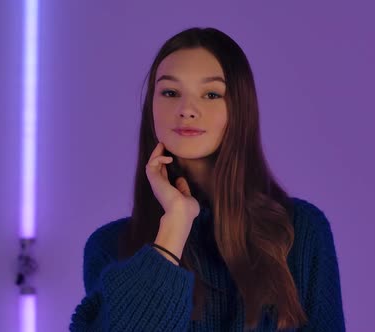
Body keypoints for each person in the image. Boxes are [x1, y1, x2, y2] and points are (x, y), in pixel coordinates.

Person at [69, 27, 345, 331]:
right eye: (170, 93)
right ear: (151, 108)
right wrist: (176, 224)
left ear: (239, 109)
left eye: (212, 94)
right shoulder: (110, 246)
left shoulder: (299, 231)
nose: (187, 110)